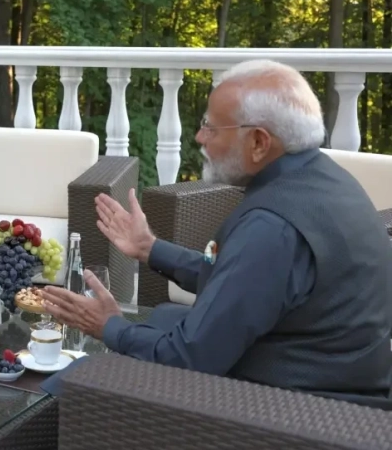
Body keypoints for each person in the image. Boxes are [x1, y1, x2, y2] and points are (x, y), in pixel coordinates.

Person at [41, 59, 392, 403]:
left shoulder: (272, 228)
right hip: (333, 371)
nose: (199, 137)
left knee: (73, 379)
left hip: (296, 408)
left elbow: (186, 358)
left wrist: (109, 326)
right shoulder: (326, 179)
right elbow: (246, 280)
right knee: (162, 316)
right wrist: (150, 248)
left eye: (211, 127)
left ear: (259, 142)